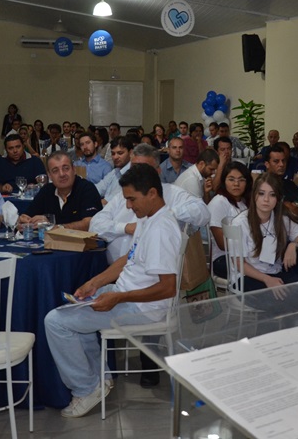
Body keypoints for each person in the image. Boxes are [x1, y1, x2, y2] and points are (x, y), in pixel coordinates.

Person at [44, 163, 183, 418]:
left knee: (56, 322)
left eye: (132, 199)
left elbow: (167, 288)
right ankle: (98, 380)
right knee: (76, 307)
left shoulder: (162, 228)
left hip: (144, 309)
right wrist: (95, 283)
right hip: (126, 295)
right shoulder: (147, 219)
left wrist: (118, 297)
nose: (128, 206)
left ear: (152, 193)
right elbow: (128, 260)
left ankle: (86, 388)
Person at [89, 143, 209, 263]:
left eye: (143, 168)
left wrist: (166, 214)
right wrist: (125, 228)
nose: (137, 173)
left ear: (157, 171)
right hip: (112, 267)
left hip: (150, 271)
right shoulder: (122, 196)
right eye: (134, 167)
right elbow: (95, 225)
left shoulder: (171, 192)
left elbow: (203, 213)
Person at [233, 173, 298, 291]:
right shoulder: (241, 223)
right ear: (254, 195)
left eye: (272, 195)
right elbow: (239, 263)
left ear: (278, 198)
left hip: (275, 273)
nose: (266, 200)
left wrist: (293, 245)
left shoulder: (281, 218)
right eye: (261, 194)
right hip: (248, 276)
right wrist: (266, 279)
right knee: (280, 298)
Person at [19, 152, 102, 230]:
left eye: (66, 168)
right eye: (55, 171)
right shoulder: (47, 190)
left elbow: (89, 223)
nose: (62, 174)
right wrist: (25, 221)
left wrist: (56, 227)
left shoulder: (87, 188)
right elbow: (26, 216)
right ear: (49, 176)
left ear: (74, 170)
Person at [208, 162, 252, 279]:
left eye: (241, 180)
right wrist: (251, 245)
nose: (236, 184)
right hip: (224, 258)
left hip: (247, 254)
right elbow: (222, 244)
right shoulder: (219, 202)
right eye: (231, 179)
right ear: (224, 182)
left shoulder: (246, 202)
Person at [265, 144, 298, 217]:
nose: (281, 164)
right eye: (276, 161)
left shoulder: (289, 184)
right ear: (267, 164)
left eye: (283, 161)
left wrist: (296, 204)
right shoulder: (264, 186)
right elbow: (290, 211)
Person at [95, 136, 133, 202]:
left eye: (120, 153)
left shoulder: (134, 173)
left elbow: (111, 201)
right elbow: (97, 189)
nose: (115, 157)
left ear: (130, 153)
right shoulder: (115, 171)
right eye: (113, 153)